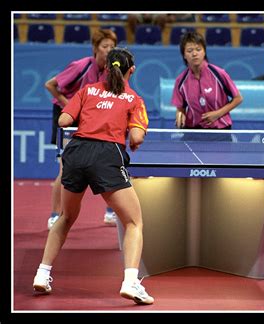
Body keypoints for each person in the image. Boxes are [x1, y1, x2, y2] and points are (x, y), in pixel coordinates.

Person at [33, 47, 154, 305]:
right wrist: (135, 134)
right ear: (131, 70)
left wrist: (91, 110)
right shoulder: (134, 99)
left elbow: (64, 121)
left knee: (65, 217)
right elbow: (136, 137)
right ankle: (131, 282)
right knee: (133, 223)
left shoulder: (86, 90)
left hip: (76, 153)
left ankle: (42, 274)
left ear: (106, 69)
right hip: (107, 155)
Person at [45, 29, 118, 230]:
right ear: (95, 48)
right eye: (105, 47)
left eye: (112, 47)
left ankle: (111, 213)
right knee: (65, 168)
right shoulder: (82, 65)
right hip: (66, 117)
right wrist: (70, 106)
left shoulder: (111, 71)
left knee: (104, 164)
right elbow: (50, 85)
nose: (109, 51)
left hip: (90, 119)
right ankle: (54, 215)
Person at [171, 31, 243, 141]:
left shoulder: (218, 73)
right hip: (193, 132)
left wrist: (217, 114)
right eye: (190, 51)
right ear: (184, 55)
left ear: (204, 52)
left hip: (220, 132)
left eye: (198, 49)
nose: (194, 54)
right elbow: (180, 108)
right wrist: (180, 115)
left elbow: (238, 98)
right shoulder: (181, 81)